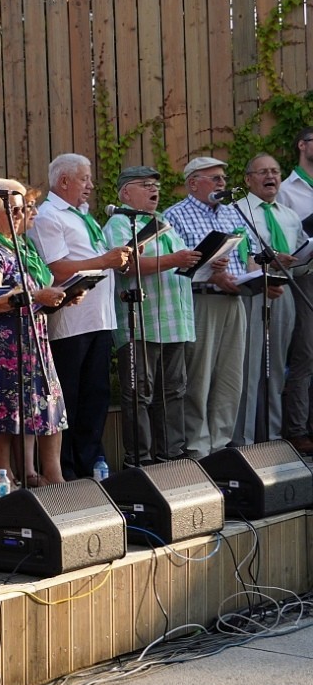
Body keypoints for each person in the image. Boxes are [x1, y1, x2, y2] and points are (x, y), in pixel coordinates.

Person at [28, 154, 130, 479]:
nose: (91, 185)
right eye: (84, 179)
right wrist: (105, 260)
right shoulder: (49, 216)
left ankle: (91, 463)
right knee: (70, 396)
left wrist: (115, 259)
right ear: (64, 181)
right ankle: (67, 468)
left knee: (95, 395)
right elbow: (56, 268)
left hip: (99, 318)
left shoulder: (83, 215)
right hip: (70, 323)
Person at [0, 179, 68, 485]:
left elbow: (37, 288)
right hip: (0, 342)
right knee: (1, 407)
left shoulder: (22, 245)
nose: (24, 214)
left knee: (48, 403)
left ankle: (54, 475)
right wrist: (38, 297)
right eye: (16, 209)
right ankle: (3, 477)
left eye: (26, 208)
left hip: (34, 335)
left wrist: (63, 295)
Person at [101, 166, 200, 465]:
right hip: (142, 322)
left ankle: (171, 455)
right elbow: (127, 265)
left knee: (174, 391)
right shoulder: (119, 224)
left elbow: (181, 262)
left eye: (155, 184)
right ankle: (140, 461)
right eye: (145, 185)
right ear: (125, 193)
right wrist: (176, 259)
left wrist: (202, 260)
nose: (153, 189)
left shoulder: (163, 221)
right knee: (139, 394)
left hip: (175, 322)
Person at [164, 156, 250, 458]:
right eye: (214, 178)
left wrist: (255, 277)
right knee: (198, 377)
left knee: (230, 376)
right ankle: (198, 447)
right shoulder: (174, 216)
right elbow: (174, 266)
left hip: (235, 299)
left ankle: (221, 445)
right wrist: (213, 273)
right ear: (193, 183)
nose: (222, 184)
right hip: (200, 299)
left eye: (223, 178)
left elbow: (246, 255)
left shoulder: (233, 213)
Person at [232, 154, 304, 446]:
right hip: (253, 292)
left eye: (274, 171)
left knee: (276, 367)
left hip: (285, 290)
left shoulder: (289, 215)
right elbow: (239, 255)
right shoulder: (237, 211)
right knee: (249, 367)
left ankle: (273, 437)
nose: (270, 177)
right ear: (249, 179)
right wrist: (268, 264)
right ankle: (245, 440)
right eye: (262, 172)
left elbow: (299, 256)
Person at [276, 128, 313, 456]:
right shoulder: (288, 190)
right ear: (302, 145)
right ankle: (298, 428)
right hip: (305, 276)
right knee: (305, 353)